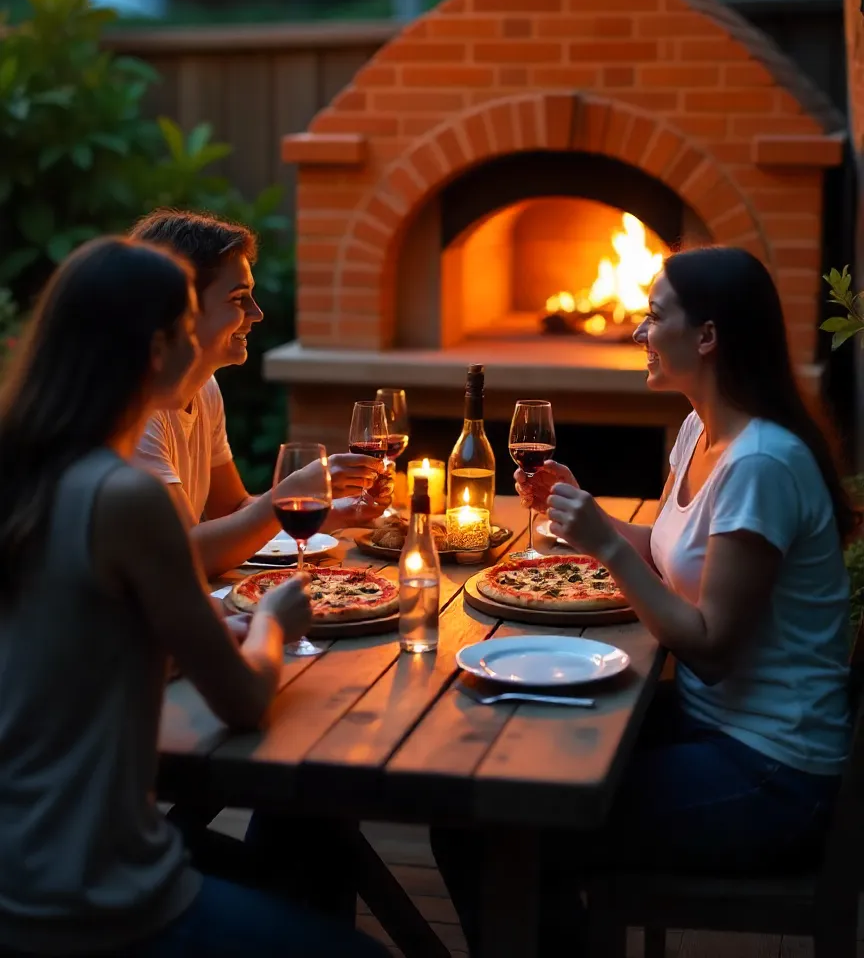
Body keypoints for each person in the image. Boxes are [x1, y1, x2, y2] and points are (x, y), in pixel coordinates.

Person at [432, 246, 853, 956]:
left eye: (654, 316)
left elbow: (711, 647)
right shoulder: (700, 432)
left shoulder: (761, 462)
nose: (636, 331)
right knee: (490, 774)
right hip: (708, 727)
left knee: (502, 824)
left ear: (708, 336)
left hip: (772, 772)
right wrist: (589, 513)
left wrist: (607, 544)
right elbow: (668, 550)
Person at [0, 237, 386, 958]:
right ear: (155, 350)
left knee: (309, 843)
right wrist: (272, 619)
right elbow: (241, 701)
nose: (200, 347)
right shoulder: (125, 498)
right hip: (88, 895)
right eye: (185, 331)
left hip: (20, 857)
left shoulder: (26, 476)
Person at [129, 209, 392, 581]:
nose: (257, 313)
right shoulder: (137, 410)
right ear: (183, 308)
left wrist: (337, 511)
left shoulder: (204, 389)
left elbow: (231, 510)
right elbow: (186, 556)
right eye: (239, 299)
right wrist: (292, 489)